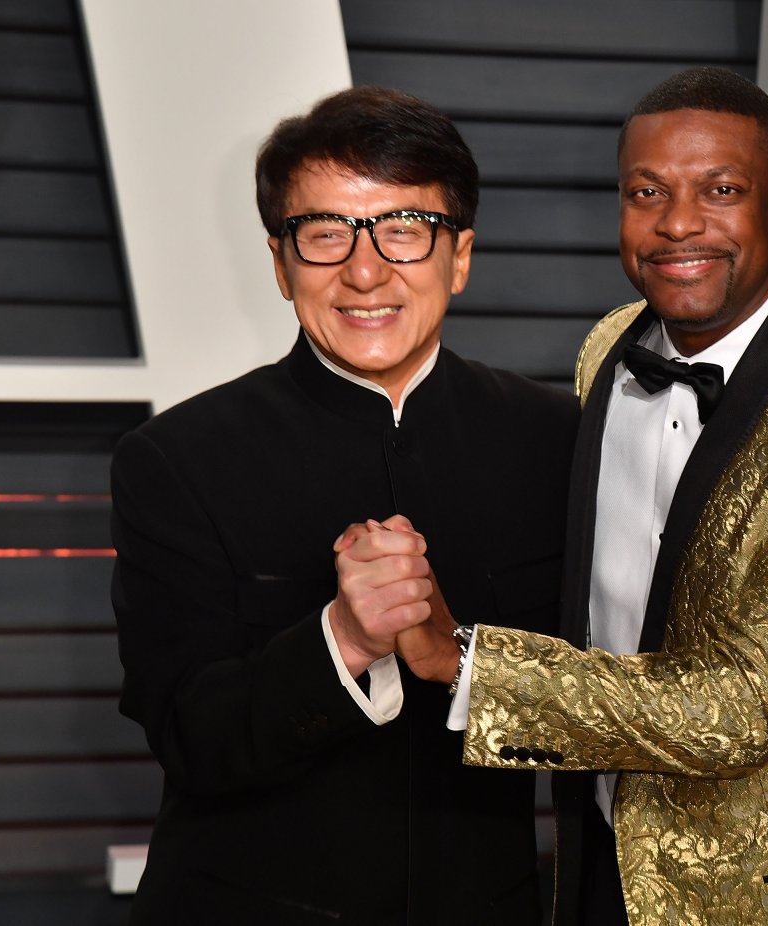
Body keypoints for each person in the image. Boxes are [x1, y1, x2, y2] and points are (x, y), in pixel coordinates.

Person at [387, 67, 768, 925]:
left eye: (721, 190)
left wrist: (465, 663)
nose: (676, 223)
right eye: (647, 191)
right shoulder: (610, 348)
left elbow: (741, 707)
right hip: (611, 861)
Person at [109, 86, 578, 924]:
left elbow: (602, 700)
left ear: (460, 256)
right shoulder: (177, 459)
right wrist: (345, 640)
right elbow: (190, 734)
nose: (365, 272)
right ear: (281, 263)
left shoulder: (558, 440)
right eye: (325, 234)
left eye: (404, 229)